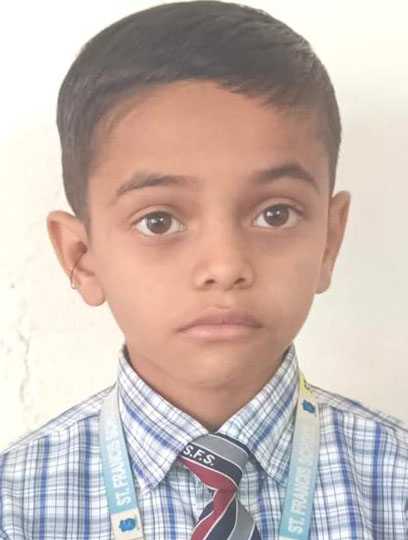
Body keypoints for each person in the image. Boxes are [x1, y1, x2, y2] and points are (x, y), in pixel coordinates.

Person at [0, 1, 407, 539]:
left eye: (275, 214)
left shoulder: (396, 489)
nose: (225, 266)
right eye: (159, 221)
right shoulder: (15, 506)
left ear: (328, 241)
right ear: (82, 256)